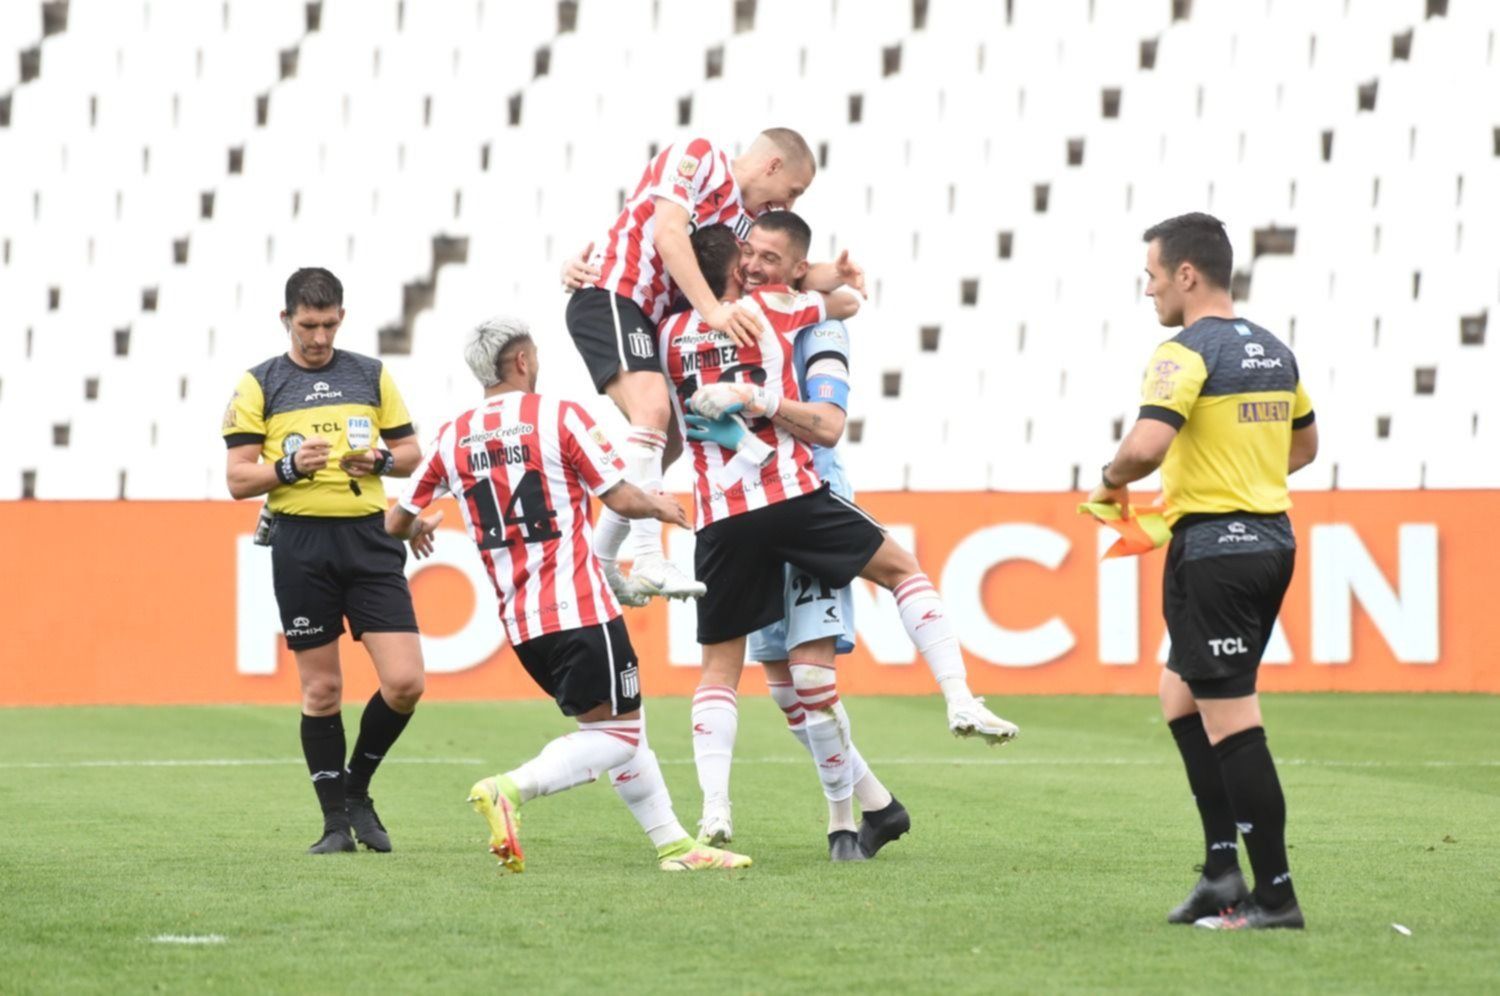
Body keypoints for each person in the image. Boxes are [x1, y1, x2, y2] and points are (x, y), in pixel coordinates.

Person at [662, 222, 1020, 855]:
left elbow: (828, 422)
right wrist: (827, 284)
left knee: (779, 675)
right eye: (749, 254)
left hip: (723, 513)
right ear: (737, 266)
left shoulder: (667, 332)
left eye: (769, 256)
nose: (756, 264)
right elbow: (844, 302)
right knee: (797, 674)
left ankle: (793, 815)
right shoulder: (780, 309)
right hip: (789, 496)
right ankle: (940, 721)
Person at [385, 316, 751, 873]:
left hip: (522, 624)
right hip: (579, 608)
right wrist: (659, 505)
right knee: (618, 735)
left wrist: (417, 528)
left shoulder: (451, 436)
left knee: (622, 728)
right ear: (523, 361)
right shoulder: (558, 416)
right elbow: (619, 496)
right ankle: (510, 788)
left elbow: (396, 521)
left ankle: (675, 846)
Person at [1090, 212, 1317, 930]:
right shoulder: (1274, 350)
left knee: (1231, 718)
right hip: (1269, 539)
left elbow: (1145, 447)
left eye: (1152, 275)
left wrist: (1110, 482)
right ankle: (1222, 872)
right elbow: (1304, 449)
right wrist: (1235, 477)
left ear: (1186, 274)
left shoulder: (1182, 353)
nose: (1149, 289)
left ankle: (1275, 898)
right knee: (1180, 697)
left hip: (1217, 551)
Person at [562, 129, 822, 605]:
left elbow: (788, 270)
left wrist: (837, 276)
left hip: (646, 318)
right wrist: (713, 311)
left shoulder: (748, 224)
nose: (790, 203)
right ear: (773, 166)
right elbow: (667, 232)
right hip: (614, 293)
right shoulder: (700, 156)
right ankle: (647, 557)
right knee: (653, 411)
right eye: (794, 190)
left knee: (668, 442)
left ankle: (599, 560)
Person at [222, 267, 426, 855]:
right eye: (308, 325)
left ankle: (357, 789)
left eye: (329, 325)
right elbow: (238, 479)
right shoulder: (260, 383)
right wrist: (289, 468)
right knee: (322, 691)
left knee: (406, 682)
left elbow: (411, 452)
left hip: (369, 538)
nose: (319, 337)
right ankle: (336, 823)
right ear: (285, 319)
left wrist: (379, 460)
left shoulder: (370, 374)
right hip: (301, 544)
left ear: (342, 318)